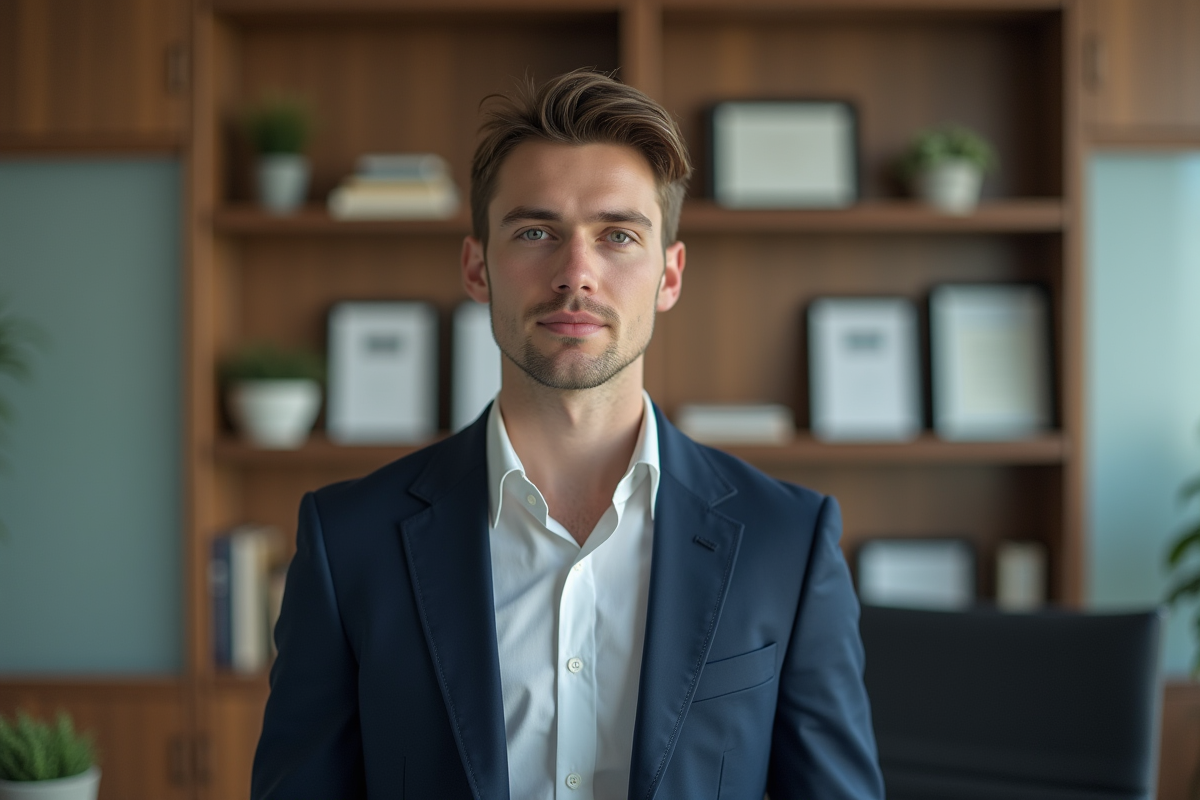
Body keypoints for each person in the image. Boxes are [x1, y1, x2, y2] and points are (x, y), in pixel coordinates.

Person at [251, 69, 883, 800]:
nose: (575, 273)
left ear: (669, 276)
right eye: (535, 231)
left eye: (618, 235)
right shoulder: (347, 541)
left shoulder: (788, 541)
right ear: (477, 266)